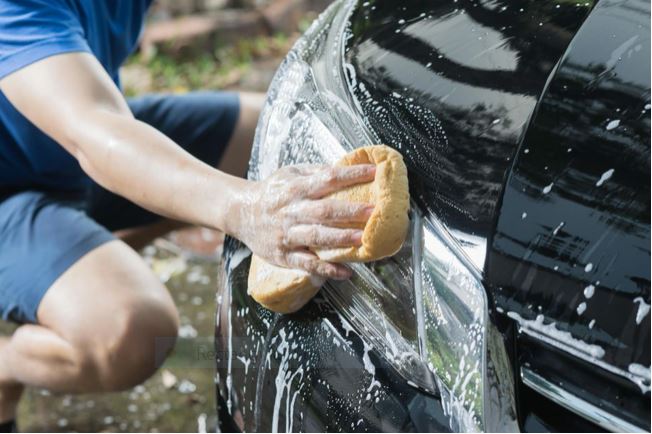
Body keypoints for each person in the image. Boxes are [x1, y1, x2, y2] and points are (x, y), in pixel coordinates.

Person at [0, 0, 376, 429]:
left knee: (282, 126)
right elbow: (94, 130)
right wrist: (245, 207)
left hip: (62, 143)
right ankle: (7, 367)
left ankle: (86, 263)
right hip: (33, 175)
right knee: (129, 332)